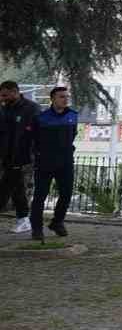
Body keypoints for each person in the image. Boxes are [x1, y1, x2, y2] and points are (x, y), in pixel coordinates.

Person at [29, 86, 77, 241]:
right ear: (53, 99)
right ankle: (36, 227)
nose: (65, 99)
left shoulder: (72, 116)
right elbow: (33, 139)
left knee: (66, 194)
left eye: (66, 97)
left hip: (65, 162)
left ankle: (57, 222)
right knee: (40, 196)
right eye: (61, 97)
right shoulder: (41, 118)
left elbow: (73, 134)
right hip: (45, 162)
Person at [0, 81, 39, 234]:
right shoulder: (4, 108)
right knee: (17, 189)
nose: (2, 98)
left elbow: (36, 133)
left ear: (15, 92)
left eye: (5, 95)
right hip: (6, 156)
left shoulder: (31, 108)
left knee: (5, 188)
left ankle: (24, 220)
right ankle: (23, 220)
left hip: (23, 157)